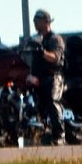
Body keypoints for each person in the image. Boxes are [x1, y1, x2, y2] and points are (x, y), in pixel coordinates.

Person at [31, 9, 65, 143]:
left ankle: (60, 135)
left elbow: (56, 57)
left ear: (46, 22)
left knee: (52, 101)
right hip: (37, 78)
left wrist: (43, 52)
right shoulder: (35, 39)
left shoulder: (55, 39)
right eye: (34, 21)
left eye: (38, 21)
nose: (35, 23)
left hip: (53, 76)